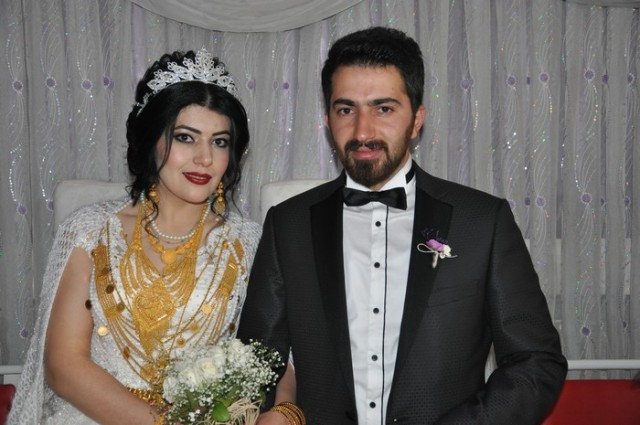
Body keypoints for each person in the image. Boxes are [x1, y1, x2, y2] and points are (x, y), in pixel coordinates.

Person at [238, 26, 568, 424]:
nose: (362, 131)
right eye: (346, 110)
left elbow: (535, 361)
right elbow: (257, 361)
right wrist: (281, 412)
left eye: (384, 109)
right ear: (327, 119)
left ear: (416, 120)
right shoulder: (288, 224)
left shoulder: (482, 221)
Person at [9, 49, 278, 424]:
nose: (204, 158)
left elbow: (274, 354)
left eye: (219, 142)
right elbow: (63, 365)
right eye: (185, 138)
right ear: (151, 139)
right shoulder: (90, 231)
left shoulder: (246, 243)